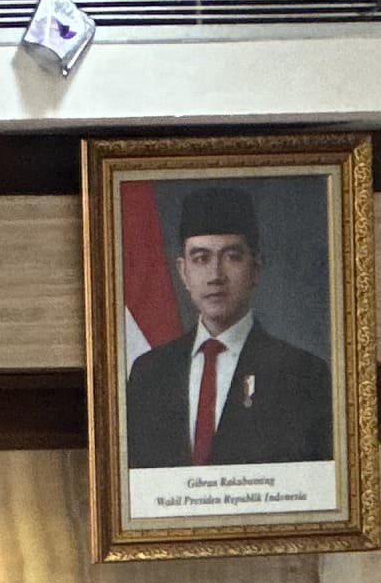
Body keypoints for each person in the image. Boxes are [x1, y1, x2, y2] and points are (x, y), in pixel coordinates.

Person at [124, 185, 334, 469]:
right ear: (183, 272)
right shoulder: (148, 374)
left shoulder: (303, 375)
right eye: (201, 258)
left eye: (232, 256)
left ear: (255, 269)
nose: (216, 275)